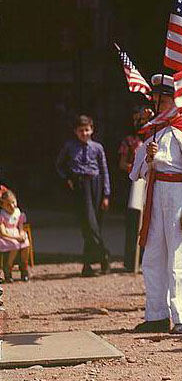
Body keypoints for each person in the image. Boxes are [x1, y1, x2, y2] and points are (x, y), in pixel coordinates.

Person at [130, 74, 182, 335]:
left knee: (181, 257)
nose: (158, 104)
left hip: (178, 194)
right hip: (156, 195)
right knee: (153, 256)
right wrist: (149, 158)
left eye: (163, 99)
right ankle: (156, 313)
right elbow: (138, 172)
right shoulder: (152, 132)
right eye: (156, 99)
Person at [55, 114, 112, 277]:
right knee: (88, 224)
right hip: (80, 186)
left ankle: (88, 264)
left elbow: (104, 170)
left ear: (92, 130)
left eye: (87, 130)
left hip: (96, 185)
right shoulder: (69, 146)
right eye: (81, 131)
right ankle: (103, 255)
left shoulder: (97, 148)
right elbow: (59, 165)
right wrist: (67, 179)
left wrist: (106, 194)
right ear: (75, 132)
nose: (84, 134)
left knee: (95, 225)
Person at [118, 105, 152, 271]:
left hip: (152, 182)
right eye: (137, 120)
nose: (140, 123)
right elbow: (122, 163)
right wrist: (137, 167)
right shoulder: (129, 141)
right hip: (136, 183)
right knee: (133, 220)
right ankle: (131, 259)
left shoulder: (153, 137)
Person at [0, 186, 31, 282]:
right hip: (6, 237)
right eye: (8, 205)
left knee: (26, 242)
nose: (12, 206)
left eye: (13, 202)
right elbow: (3, 233)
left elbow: (20, 226)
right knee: (15, 244)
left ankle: (24, 268)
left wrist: (21, 234)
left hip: (16, 234)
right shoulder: (2, 215)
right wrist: (16, 237)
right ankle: (8, 268)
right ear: (3, 205)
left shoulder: (17, 212)